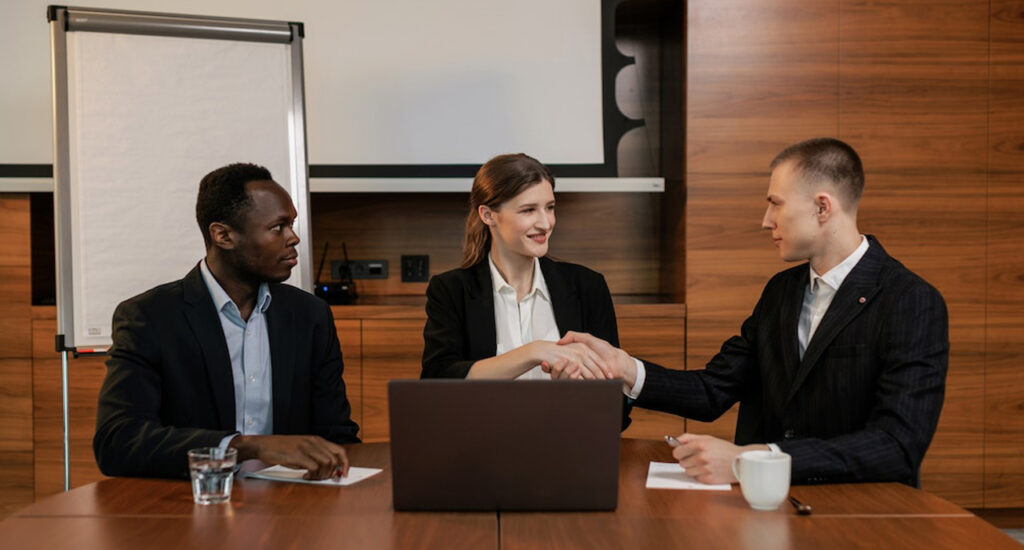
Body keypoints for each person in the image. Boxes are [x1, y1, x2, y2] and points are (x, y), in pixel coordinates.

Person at [557, 138, 949, 486]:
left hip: (867, 512)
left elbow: (896, 445)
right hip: (768, 506)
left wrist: (754, 460)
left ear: (822, 207)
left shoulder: (910, 300)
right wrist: (625, 368)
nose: (765, 221)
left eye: (775, 204)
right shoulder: (781, 291)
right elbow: (714, 390)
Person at [94, 163, 360, 480]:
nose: (294, 238)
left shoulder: (310, 316)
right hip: (189, 502)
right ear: (223, 235)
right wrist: (247, 447)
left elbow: (337, 435)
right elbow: (118, 441)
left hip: (293, 501)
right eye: (278, 227)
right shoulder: (149, 318)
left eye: (291, 224)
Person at [421, 153, 621, 386]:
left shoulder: (588, 286)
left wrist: (578, 387)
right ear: (488, 215)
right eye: (528, 210)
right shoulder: (450, 290)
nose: (545, 223)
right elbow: (436, 380)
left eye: (550, 207)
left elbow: (615, 393)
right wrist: (534, 352)